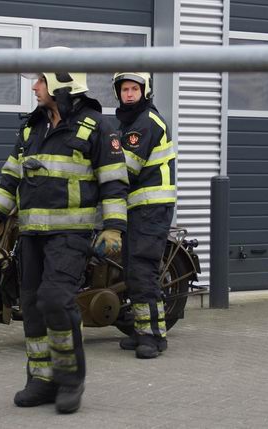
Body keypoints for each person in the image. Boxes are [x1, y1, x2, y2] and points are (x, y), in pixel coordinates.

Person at [0, 49, 129, 414]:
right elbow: (11, 176)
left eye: (40, 80)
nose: (34, 88)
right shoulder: (32, 127)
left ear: (61, 81)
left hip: (70, 235)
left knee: (55, 300)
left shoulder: (97, 127)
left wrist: (113, 228)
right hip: (32, 235)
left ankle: (70, 379)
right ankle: (41, 380)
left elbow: (114, 183)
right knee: (31, 305)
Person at [111, 72, 177, 359]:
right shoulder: (128, 122)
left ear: (144, 91)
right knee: (132, 271)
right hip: (138, 208)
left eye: (134, 89)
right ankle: (142, 331)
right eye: (124, 89)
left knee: (142, 271)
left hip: (151, 208)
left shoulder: (146, 122)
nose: (128, 94)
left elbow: (126, 167)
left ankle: (153, 337)